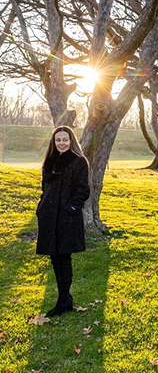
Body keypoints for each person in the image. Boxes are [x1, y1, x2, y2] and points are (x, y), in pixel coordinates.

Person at [36, 126, 90, 317]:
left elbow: (83, 190)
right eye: (58, 140)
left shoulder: (78, 162)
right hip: (49, 218)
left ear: (71, 141)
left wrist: (71, 209)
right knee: (54, 258)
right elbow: (45, 189)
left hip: (67, 218)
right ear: (54, 142)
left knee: (64, 258)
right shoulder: (49, 162)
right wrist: (40, 209)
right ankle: (64, 299)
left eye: (65, 140)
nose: (61, 143)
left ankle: (64, 300)